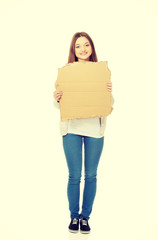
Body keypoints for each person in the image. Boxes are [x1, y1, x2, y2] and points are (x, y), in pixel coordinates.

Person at [53, 32, 114, 234]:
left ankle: (85, 217)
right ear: (73, 50)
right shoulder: (67, 72)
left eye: (86, 45)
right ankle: (73, 216)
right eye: (78, 46)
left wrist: (108, 92)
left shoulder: (100, 72)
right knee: (74, 176)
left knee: (90, 175)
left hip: (94, 130)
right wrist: (57, 97)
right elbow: (59, 104)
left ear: (91, 48)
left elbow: (109, 104)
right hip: (72, 128)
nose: (83, 49)